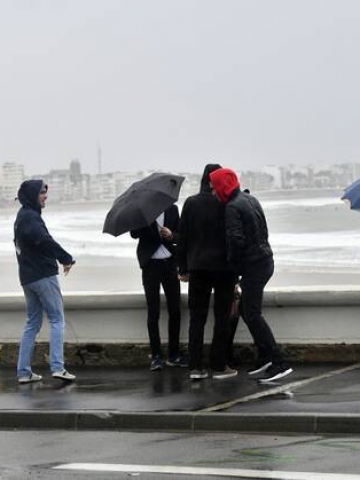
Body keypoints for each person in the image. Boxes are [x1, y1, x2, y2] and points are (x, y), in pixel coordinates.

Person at [209, 167, 293, 383]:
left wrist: (233, 268)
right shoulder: (250, 199)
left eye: (214, 188)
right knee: (246, 309)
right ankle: (265, 357)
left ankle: (279, 363)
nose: (213, 192)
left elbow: (235, 241)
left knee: (253, 313)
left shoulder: (231, 207)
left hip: (253, 266)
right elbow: (263, 230)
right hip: (265, 261)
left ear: (222, 186)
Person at [177, 164, 237, 380]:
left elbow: (183, 237)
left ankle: (195, 367)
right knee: (221, 317)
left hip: (198, 267)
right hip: (224, 269)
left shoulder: (191, 203)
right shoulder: (226, 202)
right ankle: (219, 366)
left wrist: (182, 268)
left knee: (197, 318)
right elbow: (233, 237)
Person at [14, 180, 76, 384]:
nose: (45, 197)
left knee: (32, 323)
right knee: (57, 319)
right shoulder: (30, 218)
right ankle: (58, 367)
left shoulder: (22, 217)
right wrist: (66, 258)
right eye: (42, 193)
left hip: (28, 277)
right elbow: (44, 241)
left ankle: (24, 372)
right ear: (32, 195)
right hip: (42, 276)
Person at [131, 204, 186, 371]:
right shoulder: (141, 212)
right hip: (150, 266)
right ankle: (156, 356)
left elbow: (181, 236)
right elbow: (134, 234)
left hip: (169, 263)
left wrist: (171, 236)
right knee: (153, 312)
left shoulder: (172, 209)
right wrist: (146, 220)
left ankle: (174, 354)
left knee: (175, 310)